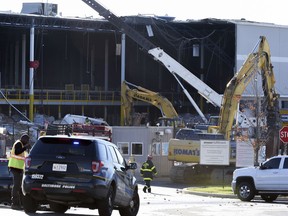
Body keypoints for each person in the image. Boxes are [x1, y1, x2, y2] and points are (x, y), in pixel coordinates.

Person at [8, 134, 30, 210]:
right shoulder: (18, 143)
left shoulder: (20, 144)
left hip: (18, 168)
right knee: (16, 186)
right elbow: (17, 152)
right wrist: (25, 148)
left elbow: (23, 156)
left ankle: (18, 204)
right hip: (15, 167)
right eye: (27, 141)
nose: (27, 142)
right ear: (23, 139)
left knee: (18, 186)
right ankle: (14, 203)